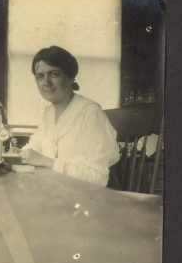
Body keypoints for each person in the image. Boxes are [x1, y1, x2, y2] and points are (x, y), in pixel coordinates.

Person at [19, 46, 119, 187]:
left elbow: (98, 178)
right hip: (56, 192)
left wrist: (46, 161)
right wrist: (18, 154)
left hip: (88, 197)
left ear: (70, 77)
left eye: (54, 74)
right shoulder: (47, 113)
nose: (46, 83)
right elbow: (33, 149)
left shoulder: (90, 113)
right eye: (40, 76)